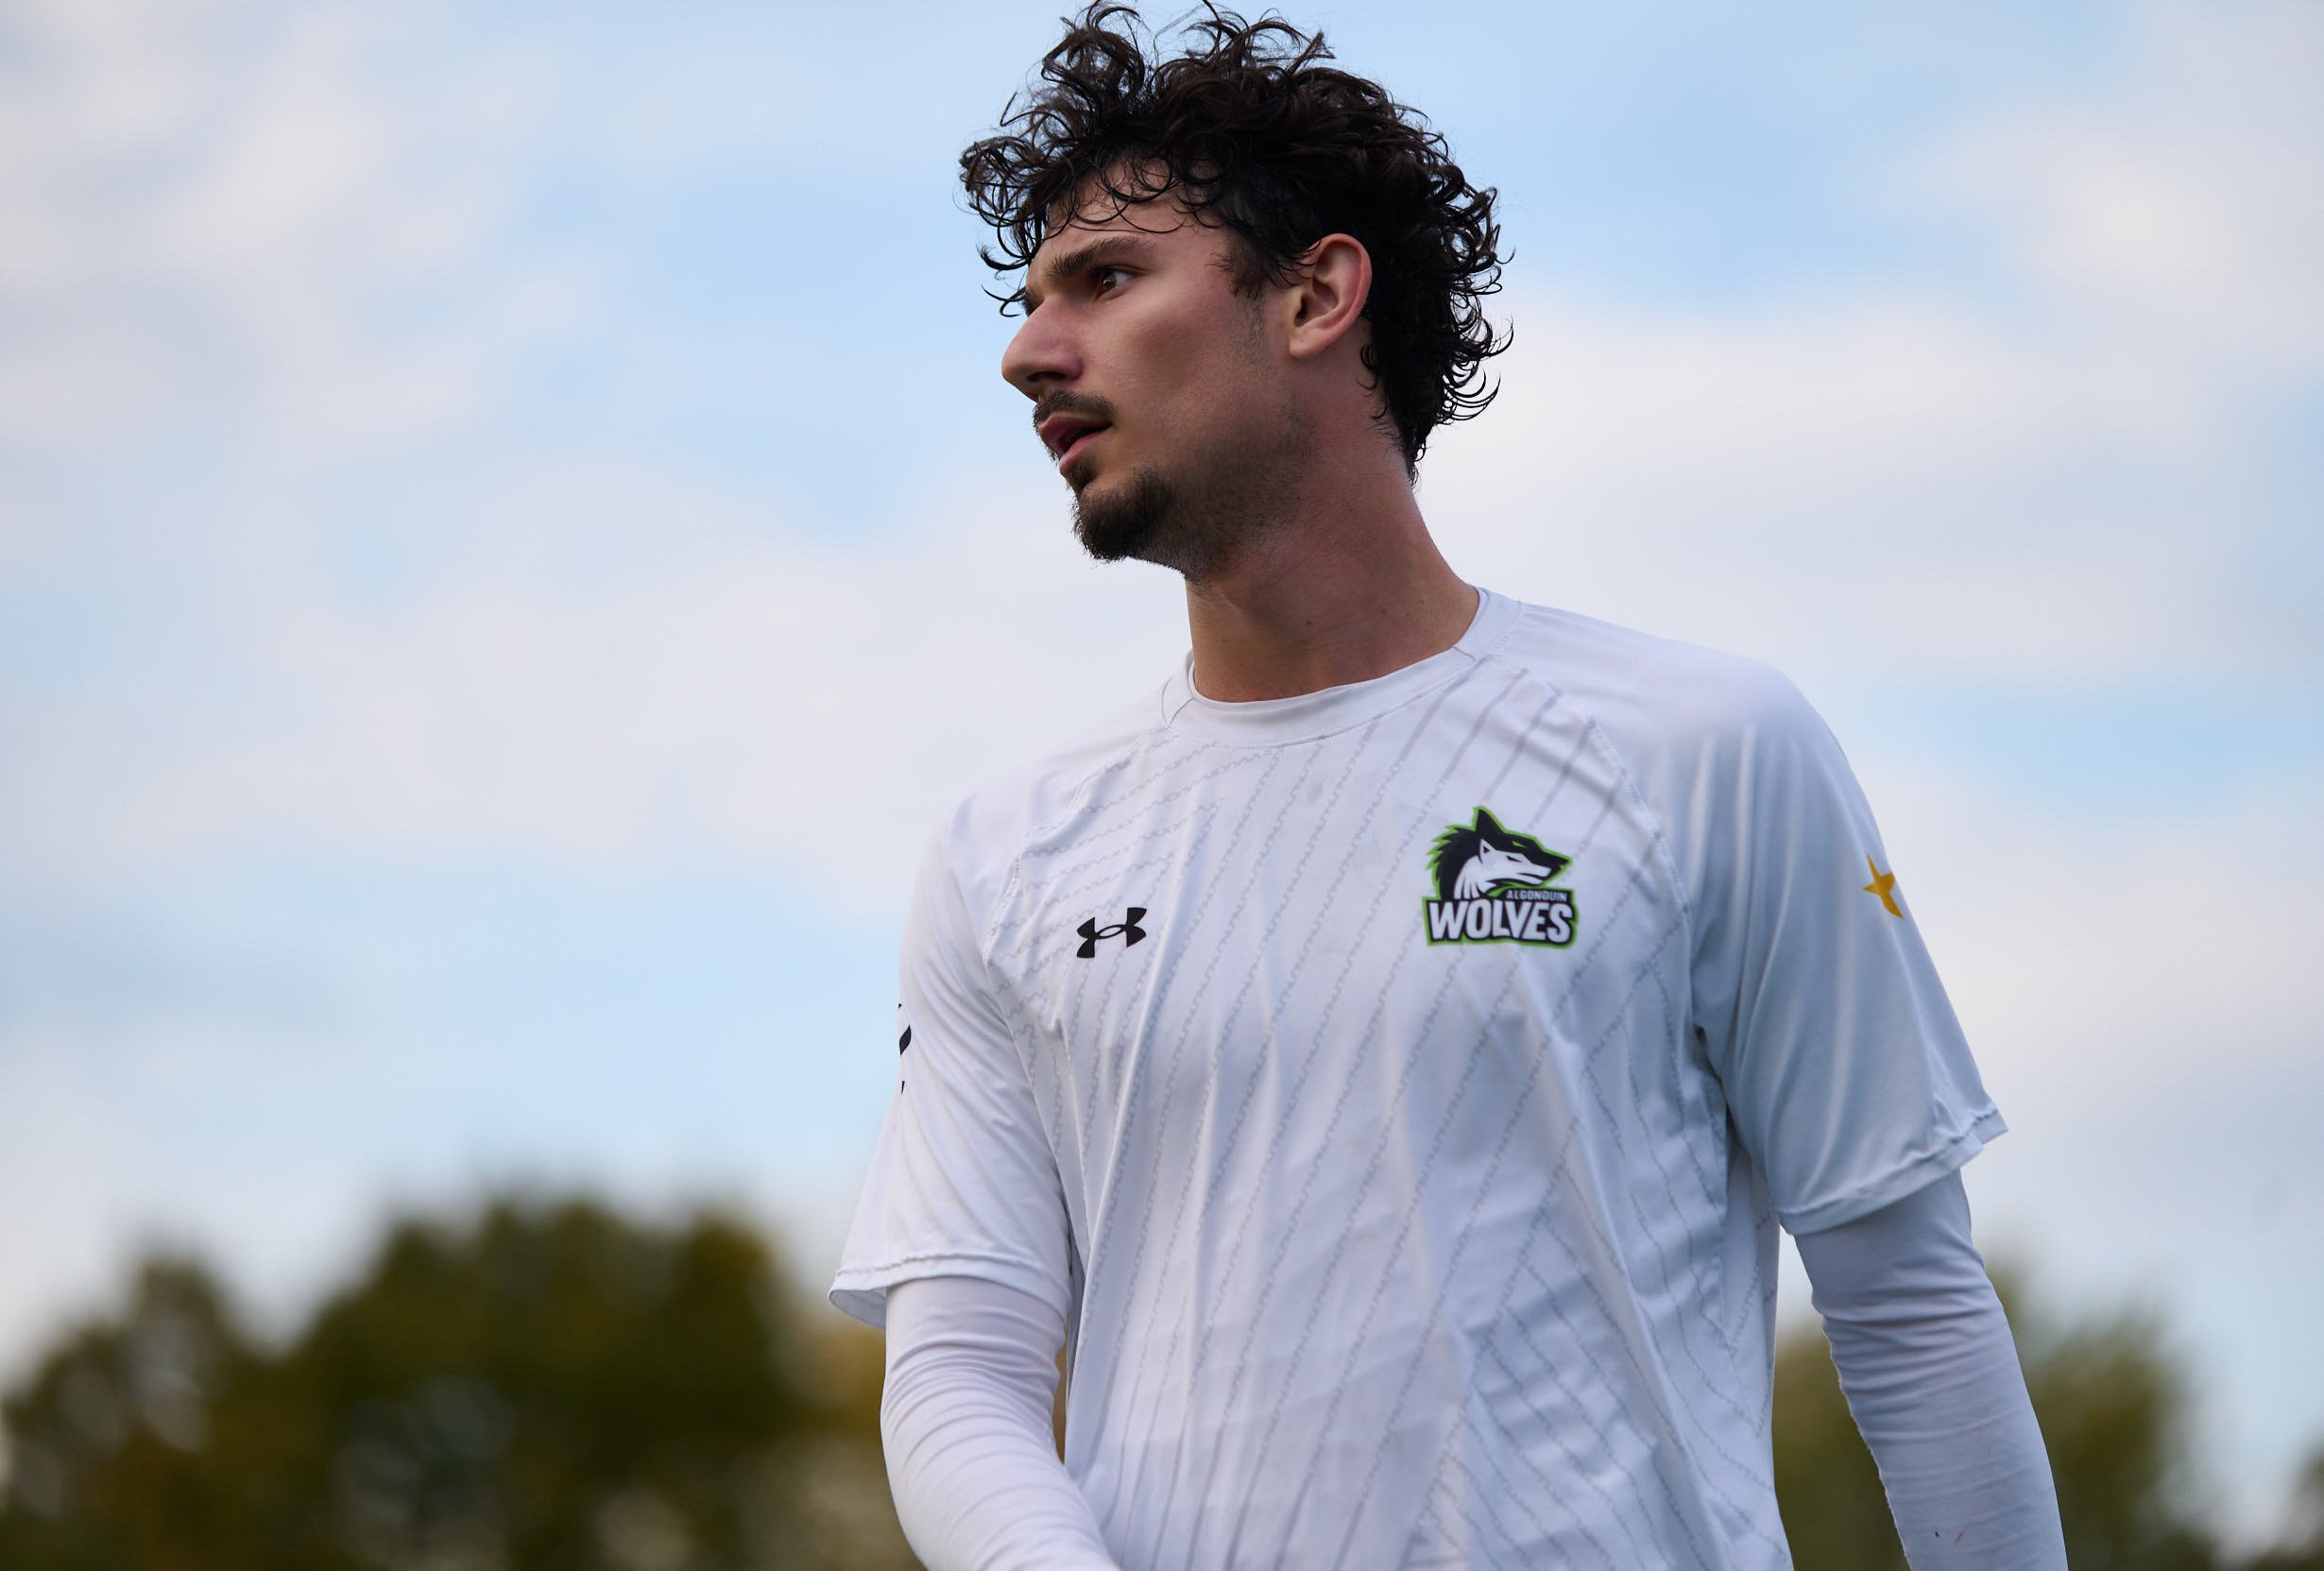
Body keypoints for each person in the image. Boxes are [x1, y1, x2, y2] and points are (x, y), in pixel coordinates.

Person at [831, 7, 2069, 1567]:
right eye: (1029, 304)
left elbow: (1913, 1314)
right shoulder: (1006, 856)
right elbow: (958, 1374)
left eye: (1108, 279)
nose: (1029, 354)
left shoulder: (1708, 749)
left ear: (1315, 296)